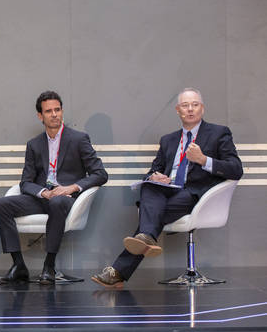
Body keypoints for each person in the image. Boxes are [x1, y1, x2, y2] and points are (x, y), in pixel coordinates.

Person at [92, 88, 243, 288]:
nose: (190, 109)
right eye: (185, 105)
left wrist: (204, 160)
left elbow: (236, 169)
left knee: (151, 218)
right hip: (167, 190)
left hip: (194, 195)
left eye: (195, 105)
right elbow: (152, 170)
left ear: (202, 109)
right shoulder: (168, 140)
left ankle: (121, 268)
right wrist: (155, 176)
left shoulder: (218, 133)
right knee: (148, 186)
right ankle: (142, 244)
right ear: (177, 110)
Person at [0, 91, 108, 284]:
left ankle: (49, 265)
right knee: (0, 205)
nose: (54, 114)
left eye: (57, 110)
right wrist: (43, 192)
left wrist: (71, 187)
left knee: (56, 202)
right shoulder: (34, 144)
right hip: (42, 197)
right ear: (40, 116)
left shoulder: (79, 139)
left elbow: (100, 174)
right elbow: (25, 182)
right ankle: (18, 265)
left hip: (65, 199)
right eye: (49, 111)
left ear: (62, 111)